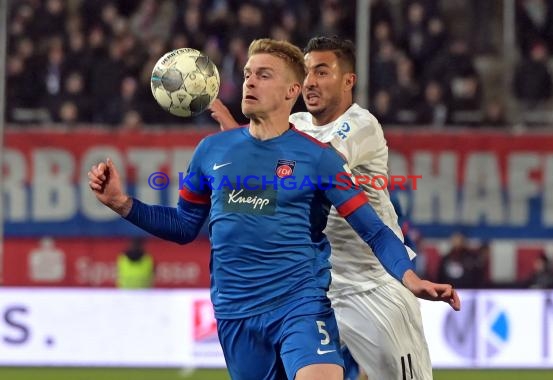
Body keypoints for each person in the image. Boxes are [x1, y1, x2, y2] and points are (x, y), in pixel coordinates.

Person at [89, 38, 459, 380]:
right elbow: (186, 226)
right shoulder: (211, 151)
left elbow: (374, 229)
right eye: (248, 74)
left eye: (263, 75)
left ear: (289, 91)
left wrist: (413, 280)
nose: (249, 82)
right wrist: (122, 204)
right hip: (237, 313)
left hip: (306, 302)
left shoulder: (322, 155)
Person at [210, 36, 452, 380]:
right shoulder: (299, 125)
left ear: (348, 81)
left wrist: (235, 135)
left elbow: (311, 169)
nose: (310, 82)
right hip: (313, 288)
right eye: (306, 73)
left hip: (372, 288)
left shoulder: (361, 124)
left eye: (322, 72)